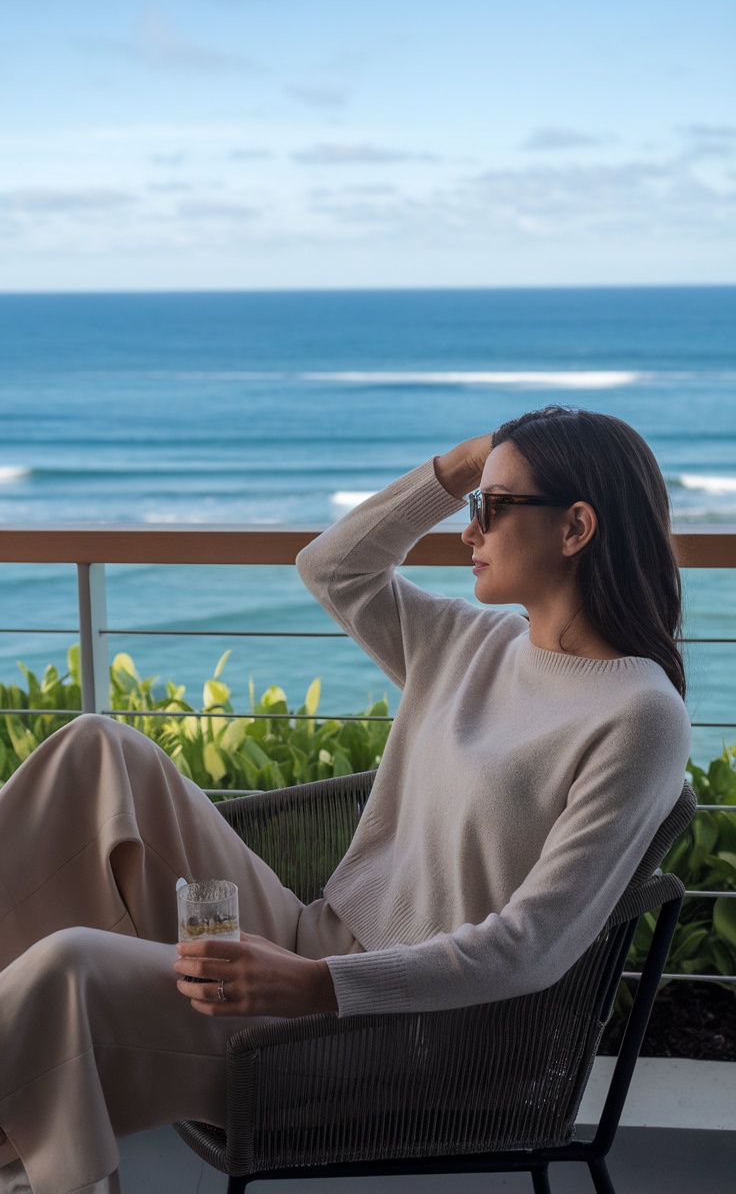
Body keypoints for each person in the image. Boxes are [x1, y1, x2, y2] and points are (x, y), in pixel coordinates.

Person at [0, 406, 691, 1194]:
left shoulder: (637, 716)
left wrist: (313, 986)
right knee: (99, 751)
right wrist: (465, 465)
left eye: (492, 509)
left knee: (70, 966)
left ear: (576, 528)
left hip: (386, 1033)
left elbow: (533, 944)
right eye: (476, 505)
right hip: (313, 940)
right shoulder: (471, 642)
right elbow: (333, 567)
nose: (469, 532)